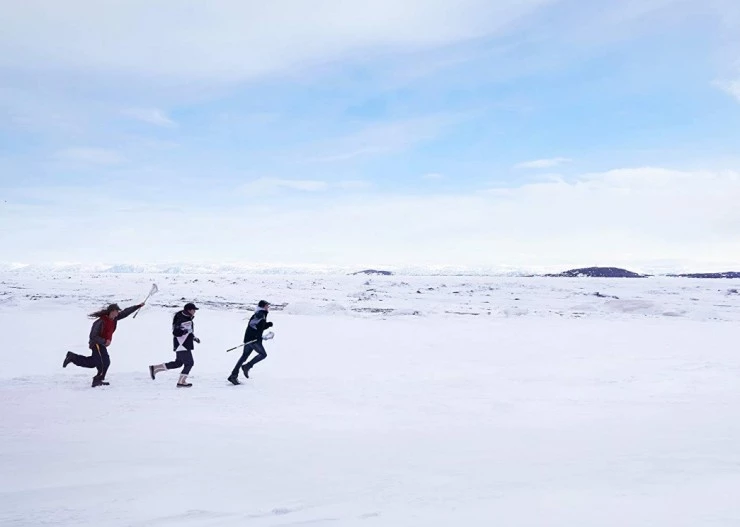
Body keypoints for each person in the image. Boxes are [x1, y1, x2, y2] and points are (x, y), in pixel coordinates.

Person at [63, 302, 145, 387]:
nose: (118, 313)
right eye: (117, 311)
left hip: (101, 344)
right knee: (104, 362)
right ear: (112, 311)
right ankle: (97, 380)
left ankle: (72, 357)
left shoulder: (114, 319)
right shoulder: (100, 321)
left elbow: (126, 312)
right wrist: (104, 341)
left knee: (93, 362)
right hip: (96, 344)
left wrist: (138, 306)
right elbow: (93, 336)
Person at [149, 302, 201, 388]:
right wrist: (184, 332)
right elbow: (176, 332)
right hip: (182, 345)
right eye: (194, 310)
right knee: (189, 363)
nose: (195, 311)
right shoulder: (181, 319)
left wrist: (194, 338)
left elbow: (189, 331)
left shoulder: (185, 318)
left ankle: (155, 368)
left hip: (182, 344)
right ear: (189, 310)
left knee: (178, 363)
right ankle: (181, 382)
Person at [228, 300, 273, 385]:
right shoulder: (260, 314)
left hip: (250, 339)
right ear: (263, 306)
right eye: (267, 305)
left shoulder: (259, 313)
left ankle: (233, 376)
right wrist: (257, 336)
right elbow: (253, 325)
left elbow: (258, 326)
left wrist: (267, 325)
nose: (268, 307)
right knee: (263, 354)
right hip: (253, 340)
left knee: (244, 357)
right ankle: (247, 366)